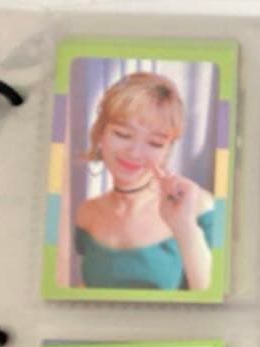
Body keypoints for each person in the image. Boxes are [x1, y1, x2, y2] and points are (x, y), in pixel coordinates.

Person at [75, 71, 215, 291]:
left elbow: (216, 301)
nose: (135, 152)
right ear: (101, 134)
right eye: (123, 134)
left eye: (155, 143)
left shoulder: (199, 208)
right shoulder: (86, 213)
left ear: (167, 150)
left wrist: (184, 227)